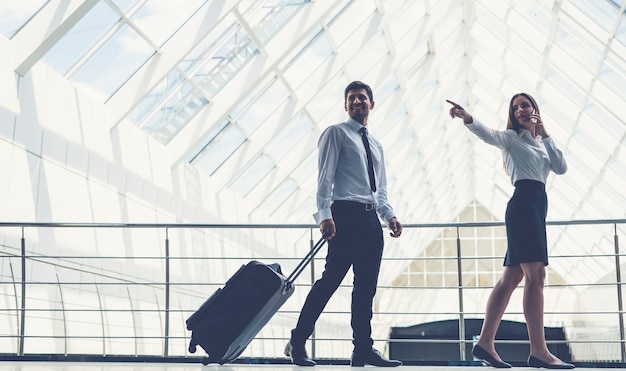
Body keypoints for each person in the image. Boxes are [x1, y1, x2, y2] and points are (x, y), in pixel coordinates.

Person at [446, 95, 573, 369]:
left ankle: (485, 343)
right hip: (524, 206)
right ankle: (539, 350)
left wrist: (545, 133)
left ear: (535, 109)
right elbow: (489, 135)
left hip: (536, 209)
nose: (520, 110)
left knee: (512, 277)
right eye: (515, 108)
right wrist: (467, 118)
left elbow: (561, 168)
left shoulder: (541, 143)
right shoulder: (511, 138)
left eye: (524, 105)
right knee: (536, 275)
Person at [284, 81, 403, 367]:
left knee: (366, 289)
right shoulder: (336, 133)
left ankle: (362, 349)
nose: (357, 101)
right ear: (346, 104)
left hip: (371, 221)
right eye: (351, 98)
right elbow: (324, 178)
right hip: (344, 216)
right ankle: (298, 341)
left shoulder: (376, 144)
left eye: (362, 97)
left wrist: (389, 216)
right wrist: (325, 214)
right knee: (329, 282)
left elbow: (380, 190)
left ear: (371, 104)